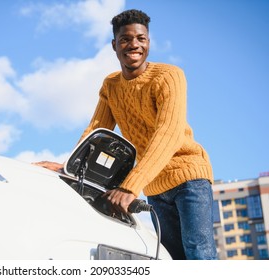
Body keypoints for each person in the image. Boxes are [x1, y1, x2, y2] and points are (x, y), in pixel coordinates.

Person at [35, 9, 217, 260]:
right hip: (155, 186)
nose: (134, 45)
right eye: (126, 39)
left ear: (148, 42)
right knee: (173, 260)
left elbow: (169, 134)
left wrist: (130, 186)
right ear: (114, 45)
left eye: (141, 39)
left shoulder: (169, 76)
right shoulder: (111, 85)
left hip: (189, 178)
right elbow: (97, 130)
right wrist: (69, 167)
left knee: (200, 255)